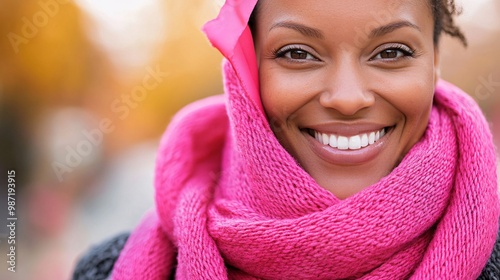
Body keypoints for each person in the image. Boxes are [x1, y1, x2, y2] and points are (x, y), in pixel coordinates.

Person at [73, 0, 500, 279]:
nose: (348, 98)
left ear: (434, 63)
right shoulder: (107, 269)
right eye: (297, 53)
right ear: (246, 72)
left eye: (391, 52)